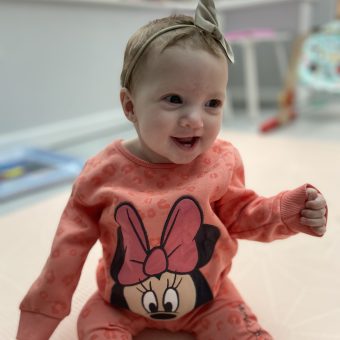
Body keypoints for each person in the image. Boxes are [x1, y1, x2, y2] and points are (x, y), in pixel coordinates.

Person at [17, 0, 327, 339]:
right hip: (119, 303)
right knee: (93, 326)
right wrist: (35, 326)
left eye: (213, 103)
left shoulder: (221, 162)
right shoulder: (101, 175)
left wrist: (287, 211)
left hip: (209, 299)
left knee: (245, 331)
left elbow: (242, 214)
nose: (194, 119)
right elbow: (64, 257)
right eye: (174, 99)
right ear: (130, 106)